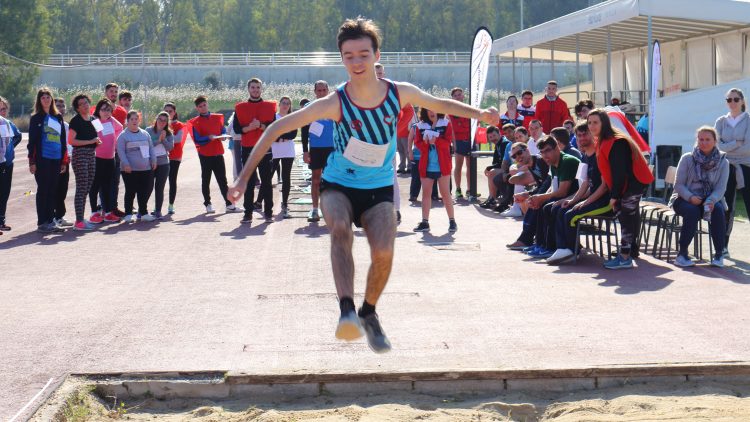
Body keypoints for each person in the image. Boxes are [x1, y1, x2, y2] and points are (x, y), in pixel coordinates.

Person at [227, 17, 499, 353]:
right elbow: (274, 129)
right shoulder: (334, 102)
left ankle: (369, 312)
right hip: (338, 185)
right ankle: (346, 311)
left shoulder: (400, 94)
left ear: (376, 55)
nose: (356, 63)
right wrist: (241, 178)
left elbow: (441, 104)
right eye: (349, 56)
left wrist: (481, 115)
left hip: (379, 188)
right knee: (339, 228)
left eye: (363, 55)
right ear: (341, 58)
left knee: (384, 250)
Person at [588, 108, 654, 270]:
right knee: (626, 216)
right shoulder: (602, 140)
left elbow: (620, 171)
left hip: (634, 183)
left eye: (595, 122)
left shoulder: (616, 142)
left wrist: (615, 195)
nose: (591, 126)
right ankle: (627, 252)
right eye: (589, 122)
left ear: (604, 123)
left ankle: (625, 257)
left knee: (626, 217)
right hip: (625, 183)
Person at [547, 122, 611, 264]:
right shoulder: (585, 156)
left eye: (585, 134)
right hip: (593, 198)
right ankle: (562, 248)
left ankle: (572, 252)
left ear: (592, 134)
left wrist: (584, 202)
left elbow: (604, 187)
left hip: (605, 202)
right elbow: (586, 184)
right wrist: (573, 200)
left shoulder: (600, 155)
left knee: (570, 215)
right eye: (579, 135)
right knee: (560, 208)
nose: (582, 138)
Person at [670, 126, 729, 268]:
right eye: (701, 139)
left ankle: (719, 254)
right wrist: (690, 197)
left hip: (709, 199)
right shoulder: (687, 158)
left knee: (718, 210)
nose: (704, 142)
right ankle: (682, 254)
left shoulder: (723, 162)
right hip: (684, 198)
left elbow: (721, 188)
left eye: (708, 139)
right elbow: (678, 185)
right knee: (692, 211)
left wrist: (711, 200)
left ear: (715, 141)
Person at [517, 136, 580, 259]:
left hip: (575, 197)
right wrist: (539, 197)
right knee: (540, 205)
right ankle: (541, 244)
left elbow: (562, 191)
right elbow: (552, 187)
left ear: (557, 148)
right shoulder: (552, 163)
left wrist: (542, 198)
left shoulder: (567, 161)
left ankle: (551, 247)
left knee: (547, 207)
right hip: (562, 197)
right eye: (542, 152)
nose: (545, 155)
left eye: (548, 150)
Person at [234, 78, 277, 224]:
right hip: (248, 149)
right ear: (248, 89)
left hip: (265, 149)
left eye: (258, 87)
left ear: (261, 89)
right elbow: (237, 129)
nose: (255, 90)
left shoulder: (270, 106)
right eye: (253, 87)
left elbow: (273, 127)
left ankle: (268, 213)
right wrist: (250, 128)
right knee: (249, 183)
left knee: (266, 182)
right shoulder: (240, 107)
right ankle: (248, 213)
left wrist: (260, 125)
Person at [189, 95, 239, 214]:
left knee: (222, 180)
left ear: (207, 104)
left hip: (217, 153)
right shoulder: (195, 122)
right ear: (197, 108)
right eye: (200, 106)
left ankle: (229, 204)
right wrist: (208, 138)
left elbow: (222, 130)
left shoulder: (217, 118)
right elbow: (197, 139)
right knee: (206, 180)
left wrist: (223, 136)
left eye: (204, 105)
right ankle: (208, 203)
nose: (203, 108)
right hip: (205, 155)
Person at [27, 88, 68, 233]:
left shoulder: (57, 117)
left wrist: (63, 160)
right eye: (43, 97)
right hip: (42, 159)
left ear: (51, 99)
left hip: (56, 159)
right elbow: (31, 142)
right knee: (43, 189)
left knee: (53, 190)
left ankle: (51, 221)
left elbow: (62, 139)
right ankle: (42, 222)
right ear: (39, 100)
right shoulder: (36, 118)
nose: (46, 99)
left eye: (48, 97)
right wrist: (32, 162)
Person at [716, 87, 750, 255]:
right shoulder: (721, 121)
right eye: (729, 100)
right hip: (726, 167)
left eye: (735, 99)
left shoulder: (749, 120)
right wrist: (737, 143)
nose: (732, 103)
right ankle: (723, 246)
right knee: (726, 205)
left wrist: (729, 147)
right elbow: (717, 146)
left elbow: (748, 148)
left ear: (742, 101)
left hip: (746, 167)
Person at [412, 108, 457, 233]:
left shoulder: (446, 123)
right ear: (425, 112)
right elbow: (418, 143)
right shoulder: (420, 126)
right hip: (426, 165)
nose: (432, 112)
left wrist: (436, 141)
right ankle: (425, 222)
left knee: (445, 194)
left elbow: (448, 142)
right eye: (428, 109)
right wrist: (426, 143)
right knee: (426, 194)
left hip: (443, 165)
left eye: (435, 109)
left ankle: (452, 221)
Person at [300, 81, 334, 222]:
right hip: (316, 149)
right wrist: (305, 151)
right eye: (318, 90)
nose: (321, 93)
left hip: (333, 148)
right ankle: (315, 209)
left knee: (332, 180)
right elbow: (304, 130)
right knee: (315, 180)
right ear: (314, 92)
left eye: (323, 90)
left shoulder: (334, 106)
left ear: (328, 90)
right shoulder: (309, 107)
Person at [68, 94, 102, 231]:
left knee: (87, 187)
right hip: (80, 155)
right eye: (81, 104)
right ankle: (79, 221)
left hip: (91, 155)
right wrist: (89, 142)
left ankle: (81, 219)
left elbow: (98, 135)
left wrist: (96, 142)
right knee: (82, 188)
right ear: (77, 108)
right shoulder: (75, 121)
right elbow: (71, 141)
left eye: (86, 102)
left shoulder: (94, 119)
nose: (85, 105)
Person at [117, 111, 157, 223]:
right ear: (127, 121)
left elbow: (151, 149)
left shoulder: (145, 134)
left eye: (136, 119)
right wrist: (126, 164)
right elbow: (121, 151)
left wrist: (153, 160)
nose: (134, 121)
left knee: (144, 191)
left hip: (146, 168)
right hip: (129, 170)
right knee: (130, 191)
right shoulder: (123, 136)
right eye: (132, 119)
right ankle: (128, 214)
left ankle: (143, 213)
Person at [88, 99, 123, 223]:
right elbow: (96, 135)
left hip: (110, 158)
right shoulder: (95, 121)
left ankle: (107, 213)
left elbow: (120, 128)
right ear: (98, 110)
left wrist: (114, 141)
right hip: (97, 158)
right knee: (95, 186)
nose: (106, 112)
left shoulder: (111, 121)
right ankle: (94, 213)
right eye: (103, 109)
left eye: (108, 110)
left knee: (107, 186)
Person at [0, 97, 23, 233]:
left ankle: (1, 221)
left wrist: (10, 149)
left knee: (4, 193)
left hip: (7, 164)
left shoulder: (8, 123)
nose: (1, 111)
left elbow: (18, 136)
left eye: (3, 109)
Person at [273, 96, 298, 218]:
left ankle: (285, 202)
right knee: (268, 175)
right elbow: (272, 133)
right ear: (279, 104)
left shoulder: (292, 118)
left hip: (288, 151)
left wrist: (280, 136)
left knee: (286, 177)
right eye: (283, 103)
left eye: (288, 103)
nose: (285, 105)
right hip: (274, 150)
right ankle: (260, 201)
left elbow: (293, 134)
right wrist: (281, 136)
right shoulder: (273, 117)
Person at [146, 111, 174, 219]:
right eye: (160, 119)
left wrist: (164, 139)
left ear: (167, 122)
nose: (162, 122)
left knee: (159, 188)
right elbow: (147, 145)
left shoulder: (169, 133)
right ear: (156, 119)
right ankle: (142, 210)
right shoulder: (148, 131)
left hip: (163, 164)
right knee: (148, 187)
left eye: (164, 121)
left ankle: (158, 211)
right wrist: (158, 140)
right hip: (150, 163)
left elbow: (170, 148)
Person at [52, 98, 73, 228]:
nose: (60, 108)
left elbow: (69, 144)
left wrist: (68, 157)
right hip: (53, 161)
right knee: (53, 189)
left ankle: (59, 216)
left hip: (65, 161)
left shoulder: (66, 125)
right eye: (57, 105)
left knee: (63, 189)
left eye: (62, 105)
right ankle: (52, 216)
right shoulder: (51, 123)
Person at [450, 87, 472, 199]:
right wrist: (454, 143)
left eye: (460, 94)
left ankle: (470, 189)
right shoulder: (451, 110)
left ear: (463, 96)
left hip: (470, 141)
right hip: (458, 141)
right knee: (458, 166)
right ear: (452, 97)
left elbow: (474, 125)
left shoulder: (469, 109)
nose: (458, 97)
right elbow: (451, 129)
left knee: (470, 166)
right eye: (456, 95)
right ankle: (458, 189)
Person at [164, 102, 185, 215]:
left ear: (174, 113)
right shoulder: (159, 124)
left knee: (172, 180)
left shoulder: (179, 125)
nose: (168, 113)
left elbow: (177, 139)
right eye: (165, 111)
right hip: (162, 156)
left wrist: (165, 134)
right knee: (159, 182)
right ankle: (157, 207)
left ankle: (171, 205)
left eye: (170, 111)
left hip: (175, 156)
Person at [479, 126, 505, 209]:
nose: (493, 138)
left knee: (492, 172)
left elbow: (503, 163)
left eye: (494, 135)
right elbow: (495, 161)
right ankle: (491, 197)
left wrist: (490, 167)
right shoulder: (498, 144)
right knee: (491, 172)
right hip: (504, 167)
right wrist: (490, 167)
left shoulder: (504, 143)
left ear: (499, 134)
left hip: (509, 168)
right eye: (490, 137)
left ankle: (492, 199)